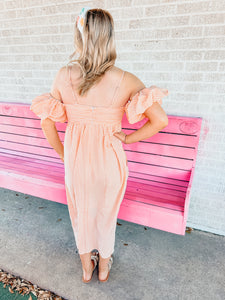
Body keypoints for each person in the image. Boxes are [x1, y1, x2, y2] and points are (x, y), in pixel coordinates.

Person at [30, 7, 169, 283]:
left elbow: (47, 123)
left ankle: (86, 268)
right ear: (109, 37)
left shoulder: (63, 75)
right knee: (106, 214)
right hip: (110, 162)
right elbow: (159, 120)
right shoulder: (127, 80)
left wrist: (64, 154)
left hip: (77, 162)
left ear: (80, 37)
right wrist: (128, 138)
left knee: (80, 213)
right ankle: (104, 268)